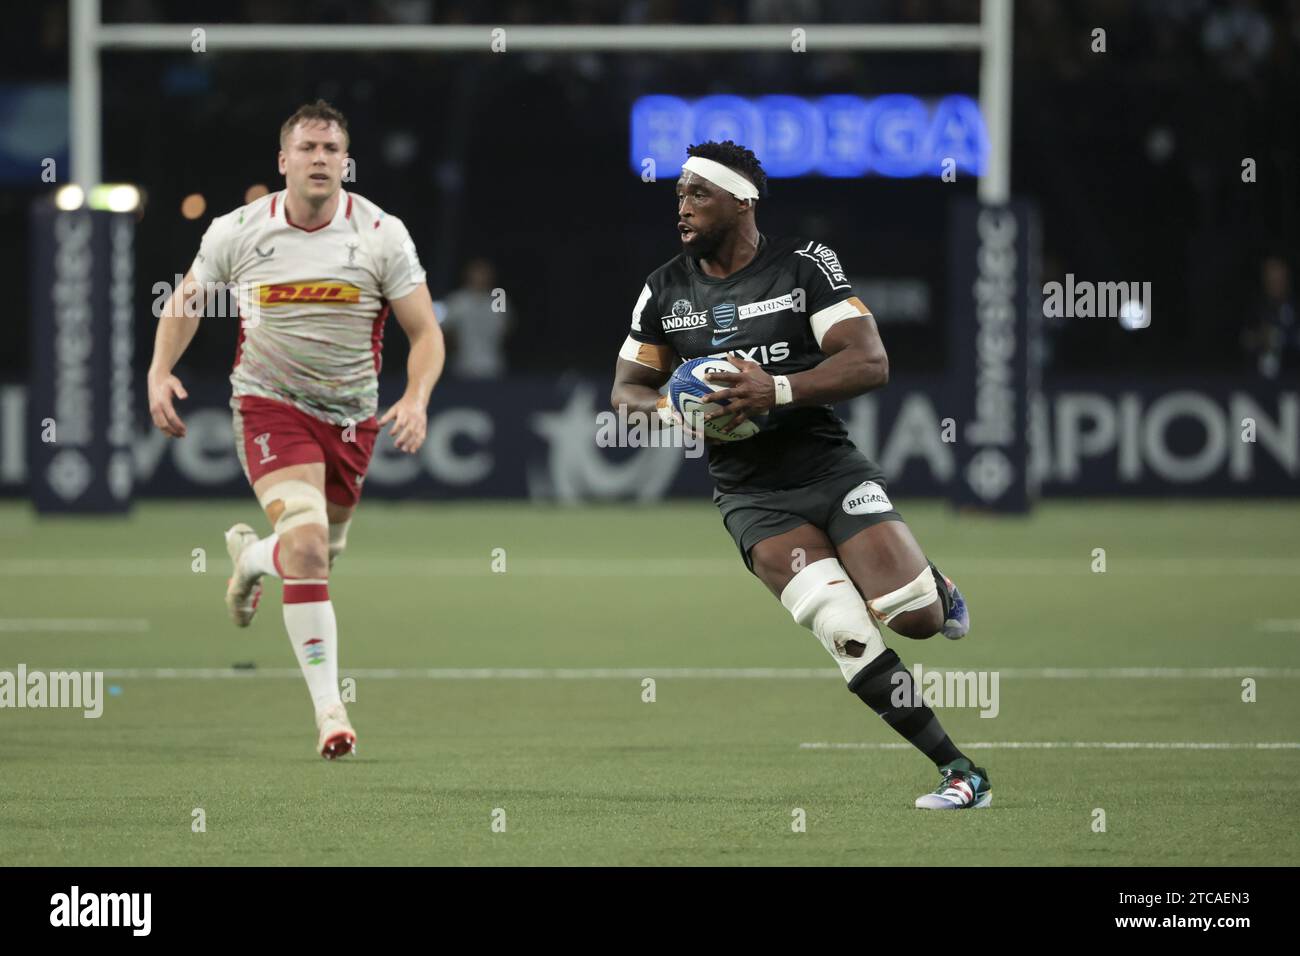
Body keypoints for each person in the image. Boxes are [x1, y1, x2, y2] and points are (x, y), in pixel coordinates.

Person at [610, 140, 988, 809]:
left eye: (699, 193)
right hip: (753, 496)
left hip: (829, 468)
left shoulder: (804, 265)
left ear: (742, 201)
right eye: (679, 195)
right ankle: (961, 772)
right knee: (844, 628)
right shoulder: (664, 289)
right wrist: (678, 408)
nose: (683, 207)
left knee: (917, 621)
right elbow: (627, 394)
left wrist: (774, 391)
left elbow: (869, 361)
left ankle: (933, 585)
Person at [146, 100, 445, 759]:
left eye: (332, 149)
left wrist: (417, 395)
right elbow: (189, 298)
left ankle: (252, 561)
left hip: (349, 418)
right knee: (307, 549)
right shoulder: (239, 230)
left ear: (346, 161)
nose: (320, 158)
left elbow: (425, 332)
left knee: (319, 552)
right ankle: (330, 713)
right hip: (269, 405)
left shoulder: (379, 234)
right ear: (284, 161)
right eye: (308, 148)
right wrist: (159, 370)